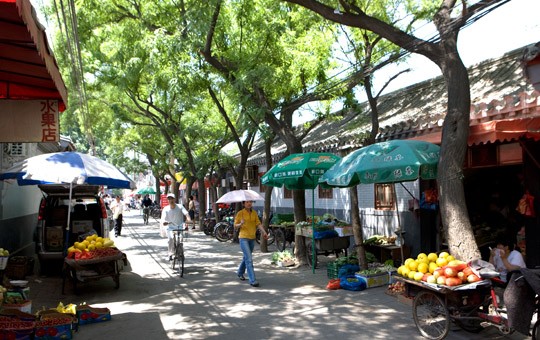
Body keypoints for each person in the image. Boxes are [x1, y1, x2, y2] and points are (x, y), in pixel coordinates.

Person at [234, 200, 268, 287]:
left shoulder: (254, 213)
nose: (249, 203)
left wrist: (264, 232)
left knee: (246, 258)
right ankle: (252, 280)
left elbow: (258, 224)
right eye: (247, 202)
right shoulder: (240, 213)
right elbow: (235, 225)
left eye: (250, 202)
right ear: (243, 204)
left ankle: (240, 272)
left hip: (252, 239)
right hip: (243, 238)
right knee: (249, 259)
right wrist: (240, 224)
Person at [160, 193, 192, 261]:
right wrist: (164, 222)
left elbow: (186, 213)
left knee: (180, 240)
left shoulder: (180, 207)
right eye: (169, 199)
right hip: (170, 227)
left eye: (172, 198)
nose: (170, 200)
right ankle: (170, 253)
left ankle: (180, 253)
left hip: (179, 227)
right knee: (171, 239)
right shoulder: (166, 209)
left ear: (174, 199)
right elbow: (163, 218)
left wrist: (188, 219)